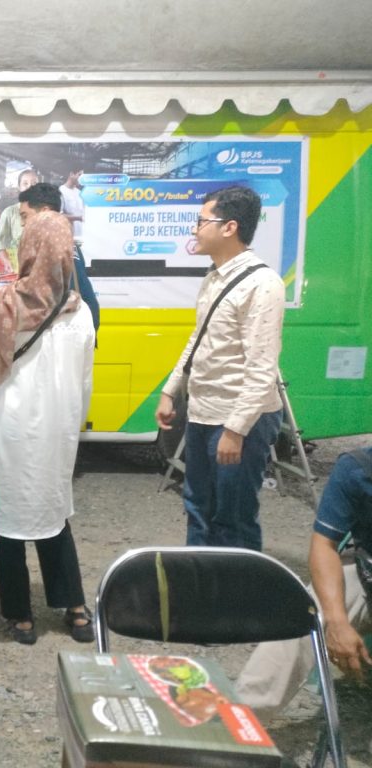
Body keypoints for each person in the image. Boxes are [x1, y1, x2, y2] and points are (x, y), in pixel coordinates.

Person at [0, 209, 96, 645]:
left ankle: (21, 617)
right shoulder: (79, 313)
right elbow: (84, 384)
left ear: (27, 251)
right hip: (54, 434)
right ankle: (75, 608)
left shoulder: (1, 306)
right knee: (52, 512)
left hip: (4, 432)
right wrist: (70, 429)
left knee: (7, 520)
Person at [155, 185, 285, 551]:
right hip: (203, 413)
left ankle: (238, 587)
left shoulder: (263, 284)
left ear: (229, 227)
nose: (194, 229)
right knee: (197, 507)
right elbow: (199, 338)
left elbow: (262, 369)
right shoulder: (214, 277)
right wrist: (170, 390)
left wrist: (235, 430)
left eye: (201, 222)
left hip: (239, 421)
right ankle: (199, 579)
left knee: (234, 518)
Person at [236, 446, 372, 718]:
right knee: (305, 617)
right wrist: (337, 621)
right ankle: (239, 721)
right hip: (366, 575)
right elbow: (325, 545)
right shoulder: (357, 468)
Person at [19, 183, 100, 336]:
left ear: (45, 213)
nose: (22, 224)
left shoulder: (46, 247)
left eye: (25, 216)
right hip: (84, 327)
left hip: (63, 334)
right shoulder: (69, 243)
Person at [0, 167, 39, 273]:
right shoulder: (9, 213)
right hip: (17, 269)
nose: (30, 187)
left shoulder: (45, 212)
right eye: (25, 183)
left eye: (34, 183)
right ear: (19, 187)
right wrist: (5, 260)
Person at [59, 170, 85, 240]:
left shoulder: (80, 193)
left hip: (81, 235)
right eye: (79, 175)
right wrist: (78, 218)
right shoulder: (61, 191)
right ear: (71, 174)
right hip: (67, 236)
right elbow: (58, 215)